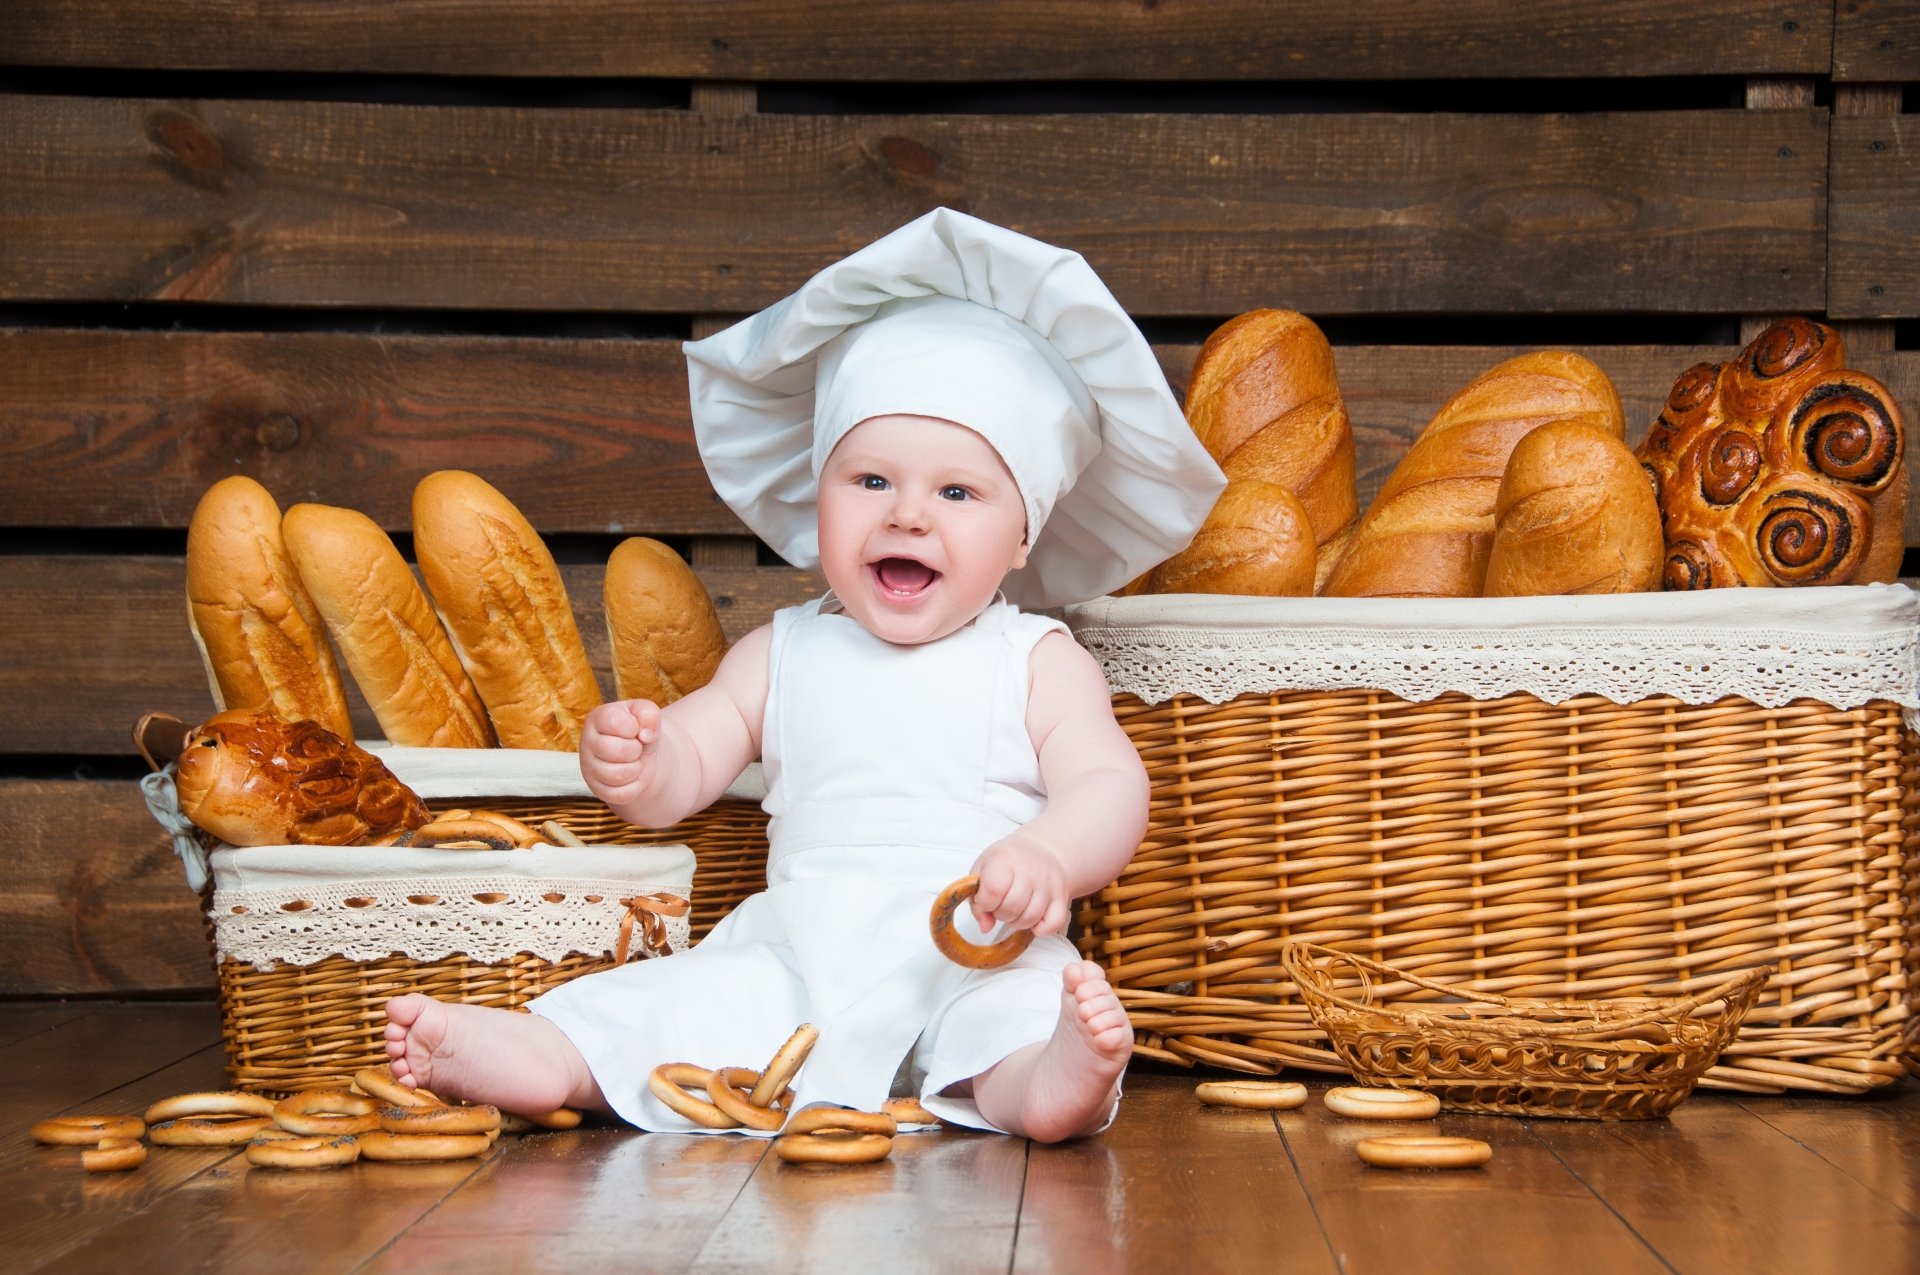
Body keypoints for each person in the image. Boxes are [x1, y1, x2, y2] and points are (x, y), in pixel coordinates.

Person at [383, 208, 1225, 1143]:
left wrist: (1050, 856)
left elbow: (1110, 784)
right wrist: (639, 761)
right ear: (816, 489)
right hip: (801, 947)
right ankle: (545, 1056)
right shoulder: (779, 650)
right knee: (680, 997)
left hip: (977, 949)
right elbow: (692, 762)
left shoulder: (1034, 659)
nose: (907, 515)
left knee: (1007, 1023)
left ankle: (1051, 1079)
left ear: (1023, 531)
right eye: (869, 481)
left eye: (957, 492)